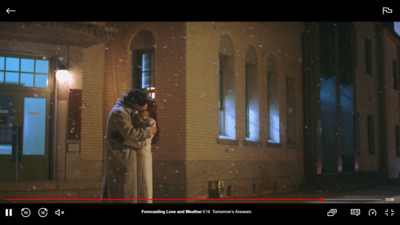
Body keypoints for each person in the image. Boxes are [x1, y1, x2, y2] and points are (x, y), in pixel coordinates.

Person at [102, 89, 157, 203]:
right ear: (134, 104)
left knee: (126, 191)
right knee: (123, 192)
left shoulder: (126, 111)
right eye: (142, 108)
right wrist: (149, 131)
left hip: (124, 156)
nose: (142, 112)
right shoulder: (119, 112)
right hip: (120, 157)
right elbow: (130, 133)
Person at [123, 99, 158, 203]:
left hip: (143, 158)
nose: (138, 111)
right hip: (135, 158)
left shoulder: (151, 122)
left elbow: (142, 143)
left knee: (144, 187)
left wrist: (124, 141)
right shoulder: (137, 122)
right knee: (136, 189)